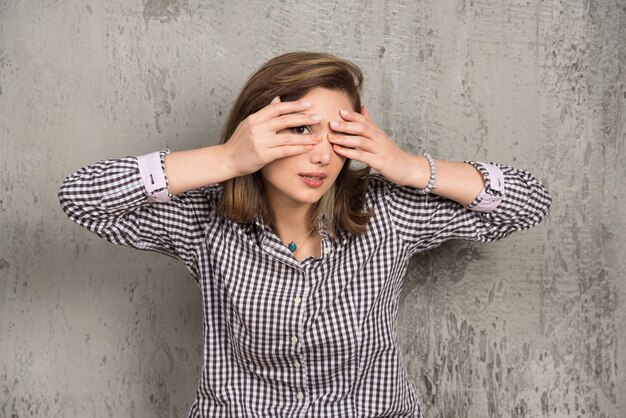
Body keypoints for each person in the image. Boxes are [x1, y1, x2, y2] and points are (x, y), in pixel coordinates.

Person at [59, 51, 551, 417]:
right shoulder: (203, 221)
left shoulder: (389, 212)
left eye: (339, 135)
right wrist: (227, 158)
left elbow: (528, 203)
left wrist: (409, 167)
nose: (322, 155)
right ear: (256, 130)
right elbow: (81, 197)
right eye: (300, 130)